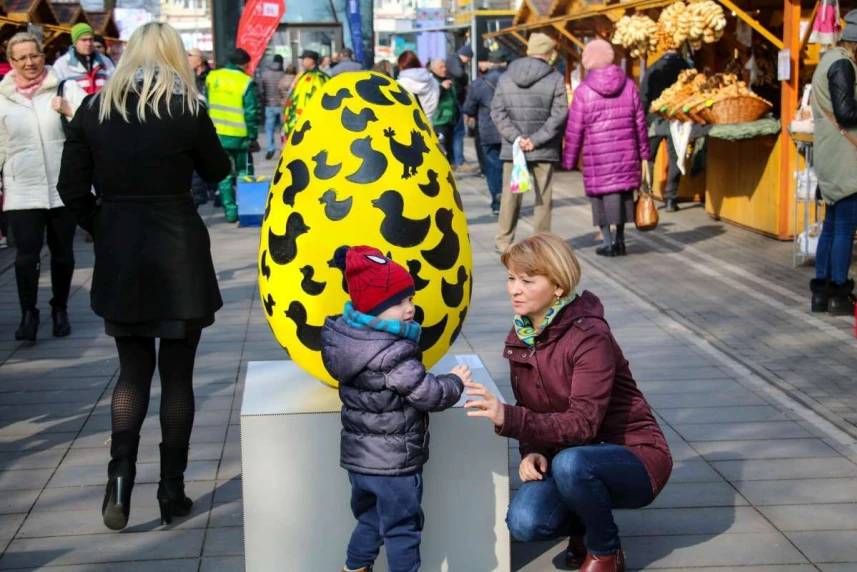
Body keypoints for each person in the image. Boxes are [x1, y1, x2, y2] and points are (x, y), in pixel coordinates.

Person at [57, 21, 230, 532]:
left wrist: (105, 223)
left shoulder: (94, 109)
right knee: (178, 377)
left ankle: (119, 482)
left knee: (132, 373)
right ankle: (171, 490)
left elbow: (70, 188)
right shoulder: (185, 110)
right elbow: (218, 169)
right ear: (174, 56)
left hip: (122, 248)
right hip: (178, 245)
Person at [463, 233, 672, 572]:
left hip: (632, 454)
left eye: (527, 280)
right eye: (511, 278)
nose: (514, 289)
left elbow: (583, 424)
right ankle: (586, 524)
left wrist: (509, 418)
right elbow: (531, 405)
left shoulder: (589, 336)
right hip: (568, 457)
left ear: (558, 286)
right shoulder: (523, 334)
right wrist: (531, 449)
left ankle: (606, 550)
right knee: (525, 522)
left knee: (573, 465)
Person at [321, 245, 469, 572]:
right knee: (403, 528)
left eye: (411, 299)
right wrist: (454, 382)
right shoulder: (393, 351)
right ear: (373, 308)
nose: (409, 309)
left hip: (360, 461)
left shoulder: (348, 340)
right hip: (394, 462)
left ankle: (354, 568)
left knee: (371, 518)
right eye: (398, 303)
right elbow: (428, 394)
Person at [0, 32, 87, 342]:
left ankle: (60, 308)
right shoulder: (1, 97)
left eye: (34, 55)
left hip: (62, 188)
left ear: (43, 55)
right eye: (21, 57)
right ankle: (28, 313)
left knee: (63, 253)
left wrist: (68, 111)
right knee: (26, 255)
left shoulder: (66, 87)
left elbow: (91, 127)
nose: (29, 62)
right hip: (22, 188)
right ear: (11, 62)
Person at [562, 39, 650, 258]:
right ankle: (620, 240)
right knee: (623, 196)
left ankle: (608, 243)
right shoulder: (629, 85)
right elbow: (641, 124)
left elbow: (574, 130)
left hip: (597, 157)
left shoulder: (584, 91)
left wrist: (569, 161)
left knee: (601, 200)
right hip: (625, 154)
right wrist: (645, 154)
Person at [490, 33, 568, 254]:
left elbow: (497, 112)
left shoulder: (506, 77)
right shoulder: (555, 79)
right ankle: (541, 244)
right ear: (548, 54)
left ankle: (503, 240)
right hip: (543, 148)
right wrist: (536, 140)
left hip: (513, 149)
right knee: (543, 197)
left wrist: (516, 138)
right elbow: (559, 113)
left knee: (510, 196)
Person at [810, 9, 857, 316]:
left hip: (830, 153)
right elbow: (846, 112)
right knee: (844, 227)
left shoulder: (829, 59)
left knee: (831, 226)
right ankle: (839, 290)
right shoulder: (843, 64)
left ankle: (821, 292)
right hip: (844, 158)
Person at [206, 48, 260, 223]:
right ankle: (247, 211)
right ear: (244, 64)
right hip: (240, 137)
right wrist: (253, 136)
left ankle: (230, 211)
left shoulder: (212, 77)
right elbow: (251, 112)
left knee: (224, 175)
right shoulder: (245, 82)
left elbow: (207, 104)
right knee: (245, 172)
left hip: (217, 135)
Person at [640, 47, 691, 212]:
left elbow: (644, 95)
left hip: (654, 119)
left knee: (649, 158)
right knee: (676, 157)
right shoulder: (687, 67)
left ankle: (646, 194)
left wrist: (642, 118)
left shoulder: (654, 67)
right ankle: (671, 199)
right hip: (678, 118)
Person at [463, 50, 506, 215]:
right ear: (505, 63)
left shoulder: (479, 83)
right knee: (510, 166)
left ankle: (497, 201)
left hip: (488, 130)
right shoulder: (513, 80)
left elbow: (469, 108)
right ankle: (510, 201)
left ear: (489, 63)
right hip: (511, 130)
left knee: (492, 166)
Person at [53, 23, 115, 94]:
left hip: (100, 104)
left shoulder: (105, 61)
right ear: (75, 42)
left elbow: (115, 86)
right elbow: (56, 92)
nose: (88, 43)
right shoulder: (62, 64)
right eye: (84, 40)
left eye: (91, 39)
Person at [283, 50, 329, 144]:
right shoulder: (301, 76)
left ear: (311, 61)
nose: (301, 62)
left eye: (304, 59)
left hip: (311, 126)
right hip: (297, 124)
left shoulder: (319, 78)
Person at [188, 47, 215, 207]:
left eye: (190, 56)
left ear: (200, 59)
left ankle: (212, 188)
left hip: (210, 121)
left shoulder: (211, 76)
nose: (187, 59)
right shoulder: (186, 76)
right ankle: (199, 194)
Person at [446, 44, 474, 172]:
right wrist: (466, 80)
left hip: (455, 100)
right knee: (459, 132)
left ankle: (455, 159)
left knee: (455, 132)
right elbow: (460, 74)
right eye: (468, 59)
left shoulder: (453, 61)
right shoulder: (454, 61)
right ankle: (459, 160)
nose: (468, 62)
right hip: (456, 101)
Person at [429, 59, 458, 161]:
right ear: (433, 69)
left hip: (450, 119)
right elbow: (430, 98)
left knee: (449, 150)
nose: (444, 69)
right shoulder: (431, 81)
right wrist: (441, 88)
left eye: (445, 67)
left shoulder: (448, 79)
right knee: (441, 149)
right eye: (441, 67)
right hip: (439, 120)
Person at [396, 51, 438, 119]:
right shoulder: (433, 81)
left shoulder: (399, 84)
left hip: (409, 125)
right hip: (428, 126)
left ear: (401, 65)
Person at [260, 54, 286, 160]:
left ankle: (270, 148)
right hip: (282, 105)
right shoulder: (283, 74)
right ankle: (283, 148)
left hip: (269, 105)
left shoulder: (265, 74)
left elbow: (261, 90)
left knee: (269, 128)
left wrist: (264, 101)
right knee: (283, 129)